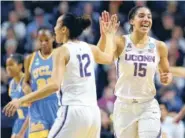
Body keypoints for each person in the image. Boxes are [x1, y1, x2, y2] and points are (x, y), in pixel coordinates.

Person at [3, 13, 119, 138]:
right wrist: (109, 35)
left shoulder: (61, 51)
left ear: (64, 29)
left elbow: (54, 85)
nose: (54, 29)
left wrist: (21, 100)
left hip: (73, 111)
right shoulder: (88, 47)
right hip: (93, 114)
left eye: (57, 25)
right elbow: (108, 58)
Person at [99, 7, 172, 138]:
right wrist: (106, 36)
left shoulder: (159, 46)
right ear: (132, 21)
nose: (146, 19)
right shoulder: (121, 42)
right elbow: (103, 58)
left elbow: (167, 74)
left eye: (149, 17)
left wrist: (167, 78)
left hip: (147, 105)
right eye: (142, 16)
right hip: (124, 106)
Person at [4, 27, 59, 138]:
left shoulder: (60, 55)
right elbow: (26, 81)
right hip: (36, 109)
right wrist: (27, 89)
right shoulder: (30, 58)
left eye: (46, 40)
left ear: (53, 38)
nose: (43, 43)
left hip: (56, 105)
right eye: (40, 40)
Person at [6, 53, 29, 138]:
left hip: (31, 120)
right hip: (19, 120)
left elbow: (35, 109)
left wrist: (22, 131)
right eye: (7, 65)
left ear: (20, 66)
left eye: (11, 64)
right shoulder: (11, 83)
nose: (8, 68)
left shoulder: (26, 82)